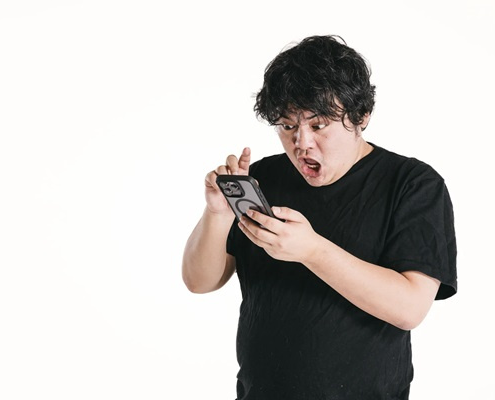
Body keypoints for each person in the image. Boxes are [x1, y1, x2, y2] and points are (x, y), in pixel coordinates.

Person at [182, 35, 457, 400]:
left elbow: (410, 308)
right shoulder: (263, 178)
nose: (301, 143)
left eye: (319, 124)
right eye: (287, 126)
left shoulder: (413, 184)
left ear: (361, 116)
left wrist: (311, 251)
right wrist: (217, 214)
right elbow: (199, 282)